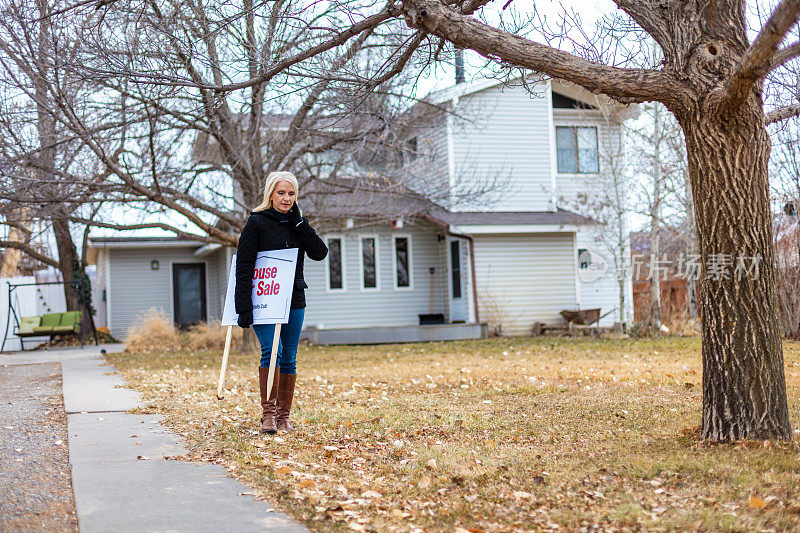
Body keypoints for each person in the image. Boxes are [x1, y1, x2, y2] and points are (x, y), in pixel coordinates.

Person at [234, 171, 328, 434]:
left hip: (294, 299)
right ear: (270, 194)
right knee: (270, 351)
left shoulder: (299, 224)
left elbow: (320, 253)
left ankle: (284, 416)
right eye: (281, 193)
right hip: (263, 299)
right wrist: (243, 306)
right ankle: (269, 415)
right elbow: (243, 265)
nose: (286, 198)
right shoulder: (256, 223)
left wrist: (300, 225)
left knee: (289, 356)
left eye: (291, 193)